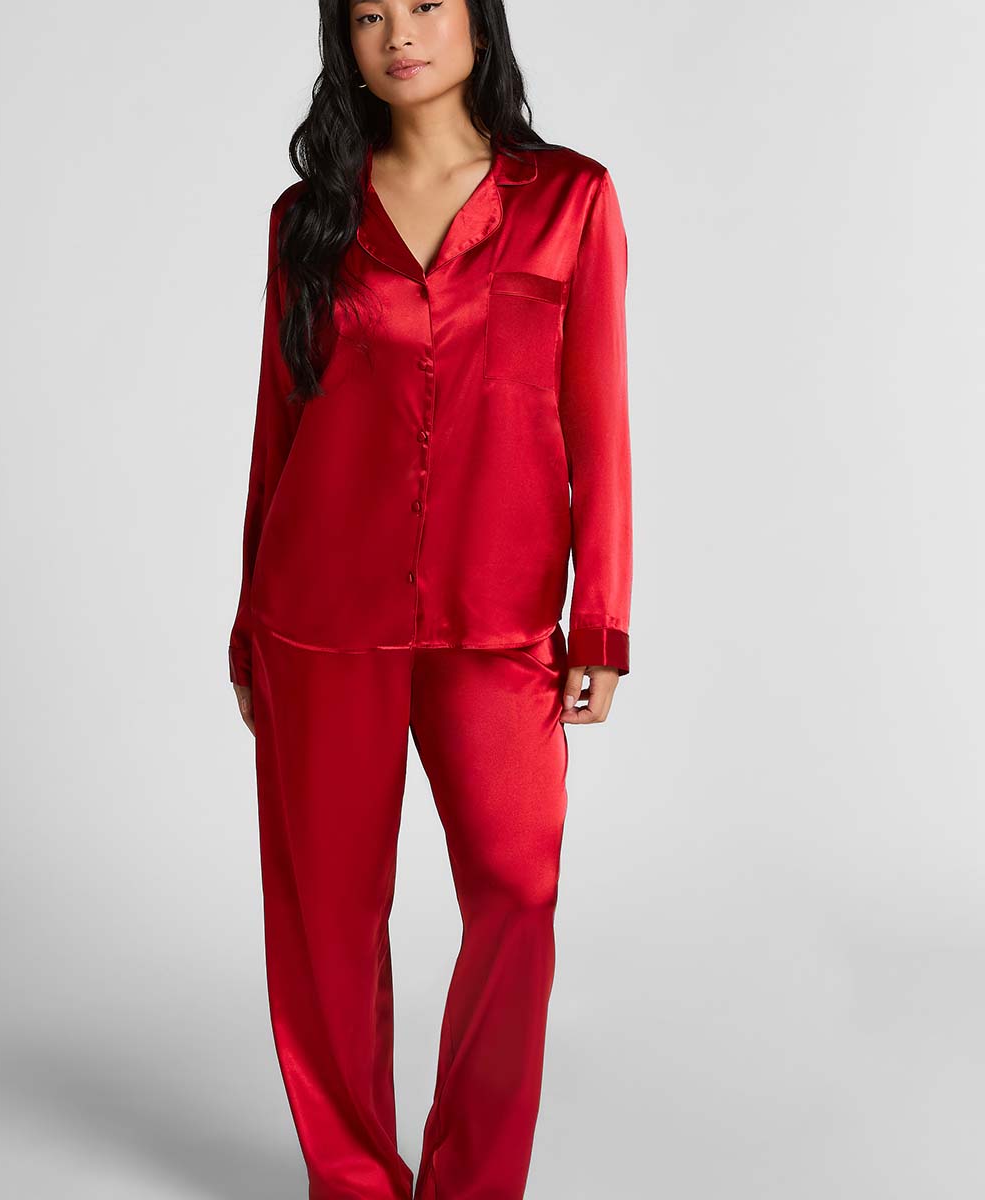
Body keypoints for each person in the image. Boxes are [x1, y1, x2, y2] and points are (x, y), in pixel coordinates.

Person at [227, 2, 632, 1196]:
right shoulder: (309, 218)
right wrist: (248, 627)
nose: (398, 34)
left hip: (498, 617)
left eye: (424, 6)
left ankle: (472, 1183)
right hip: (319, 617)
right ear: (344, 44)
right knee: (328, 924)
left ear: (477, 22)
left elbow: (600, 421)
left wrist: (601, 619)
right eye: (368, 15)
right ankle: (353, 1180)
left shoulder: (570, 202)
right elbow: (277, 428)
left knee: (516, 890)